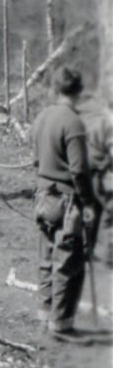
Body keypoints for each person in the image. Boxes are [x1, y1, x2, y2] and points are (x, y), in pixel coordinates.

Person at [31, 66, 97, 341]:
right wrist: (89, 202)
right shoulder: (73, 122)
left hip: (43, 194)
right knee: (69, 261)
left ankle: (45, 314)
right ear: (79, 91)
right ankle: (61, 324)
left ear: (56, 89)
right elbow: (79, 170)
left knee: (46, 258)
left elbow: (35, 158)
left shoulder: (43, 116)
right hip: (67, 199)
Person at [76, 94, 113, 256]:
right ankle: (90, 248)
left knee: (89, 205)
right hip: (96, 168)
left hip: (84, 166)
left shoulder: (94, 118)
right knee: (100, 206)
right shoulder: (108, 122)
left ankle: (86, 246)